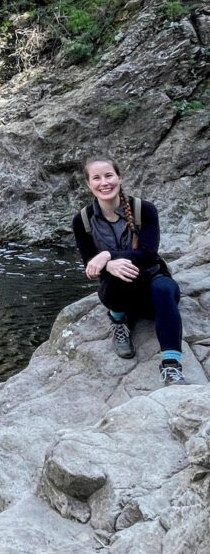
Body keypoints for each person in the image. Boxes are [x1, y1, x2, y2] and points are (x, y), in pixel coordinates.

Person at [72, 157, 186, 386]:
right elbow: (90, 267)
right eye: (96, 178)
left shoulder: (144, 209)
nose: (104, 182)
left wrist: (107, 256)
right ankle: (118, 320)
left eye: (108, 176)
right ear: (88, 184)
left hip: (153, 283)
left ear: (119, 178)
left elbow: (148, 254)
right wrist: (108, 265)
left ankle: (171, 366)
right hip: (118, 292)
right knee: (116, 275)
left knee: (164, 289)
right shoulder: (82, 220)